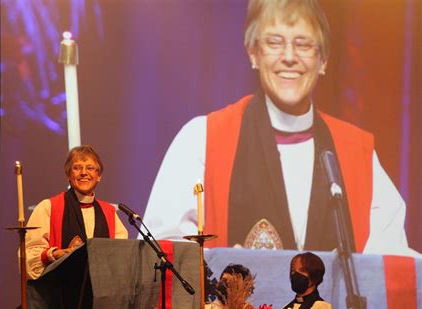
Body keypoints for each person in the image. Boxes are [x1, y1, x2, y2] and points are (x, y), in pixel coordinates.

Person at [140, 0, 420, 257]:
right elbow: (163, 252)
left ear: (323, 60)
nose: (289, 57)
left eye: (303, 44)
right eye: (274, 42)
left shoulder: (357, 153)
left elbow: (390, 265)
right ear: (254, 54)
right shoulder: (202, 140)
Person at [23, 145, 128, 280]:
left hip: (99, 293)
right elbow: (30, 257)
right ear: (68, 174)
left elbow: (121, 256)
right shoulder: (48, 207)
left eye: (90, 168)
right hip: (59, 292)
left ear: (99, 176)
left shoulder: (109, 212)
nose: (84, 173)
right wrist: (54, 255)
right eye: (77, 168)